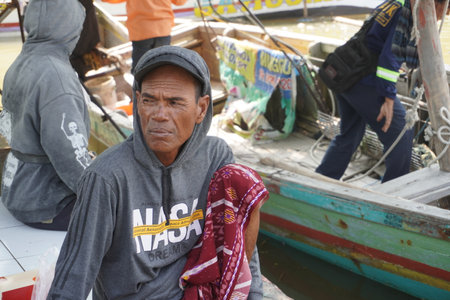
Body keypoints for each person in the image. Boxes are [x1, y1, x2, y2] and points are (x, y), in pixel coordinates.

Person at [47, 45, 266, 299]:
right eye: (149, 100)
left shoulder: (215, 157)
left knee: (244, 184)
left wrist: (254, 295)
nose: (160, 115)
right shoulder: (107, 177)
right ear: (138, 103)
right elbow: (74, 273)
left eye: (174, 103)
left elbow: (238, 236)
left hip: (199, 292)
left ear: (202, 109)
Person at [316, 0, 450, 183]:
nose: (445, 15)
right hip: (364, 79)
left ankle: (322, 181)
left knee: (349, 136)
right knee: (402, 133)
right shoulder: (407, 13)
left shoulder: (397, 3)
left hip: (345, 71)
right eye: (447, 9)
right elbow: (390, 57)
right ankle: (393, 190)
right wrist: (388, 97)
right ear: (435, 4)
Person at [0, 0, 92, 231]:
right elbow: (68, 154)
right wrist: (104, 192)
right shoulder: (55, 76)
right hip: (46, 204)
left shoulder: (20, 63)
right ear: (70, 26)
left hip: (16, 190)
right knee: (132, 213)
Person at [102, 0, 188, 72]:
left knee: (140, 69)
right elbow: (180, 2)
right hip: (163, 29)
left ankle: (139, 90)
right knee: (161, 68)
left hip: (142, 31)